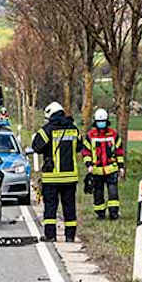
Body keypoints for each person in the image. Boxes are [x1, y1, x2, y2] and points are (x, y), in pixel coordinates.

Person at [32, 101, 81, 242]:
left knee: (51, 208)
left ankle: (50, 235)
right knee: (69, 207)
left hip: (52, 177)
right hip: (70, 177)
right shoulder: (74, 129)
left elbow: (36, 146)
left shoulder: (47, 129)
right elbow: (79, 147)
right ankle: (70, 236)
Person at [81, 108, 125, 220]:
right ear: (95, 122)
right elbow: (86, 152)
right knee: (98, 193)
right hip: (96, 170)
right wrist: (89, 164)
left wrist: (121, 167)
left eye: (103, 121)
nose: (101, 124)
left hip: (111, 169)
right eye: (99, 122)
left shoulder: (113, 134)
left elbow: (119, 151)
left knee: (113, 193)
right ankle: (100, 214)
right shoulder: (90, 135)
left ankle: (114, 213)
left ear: (107, 121)